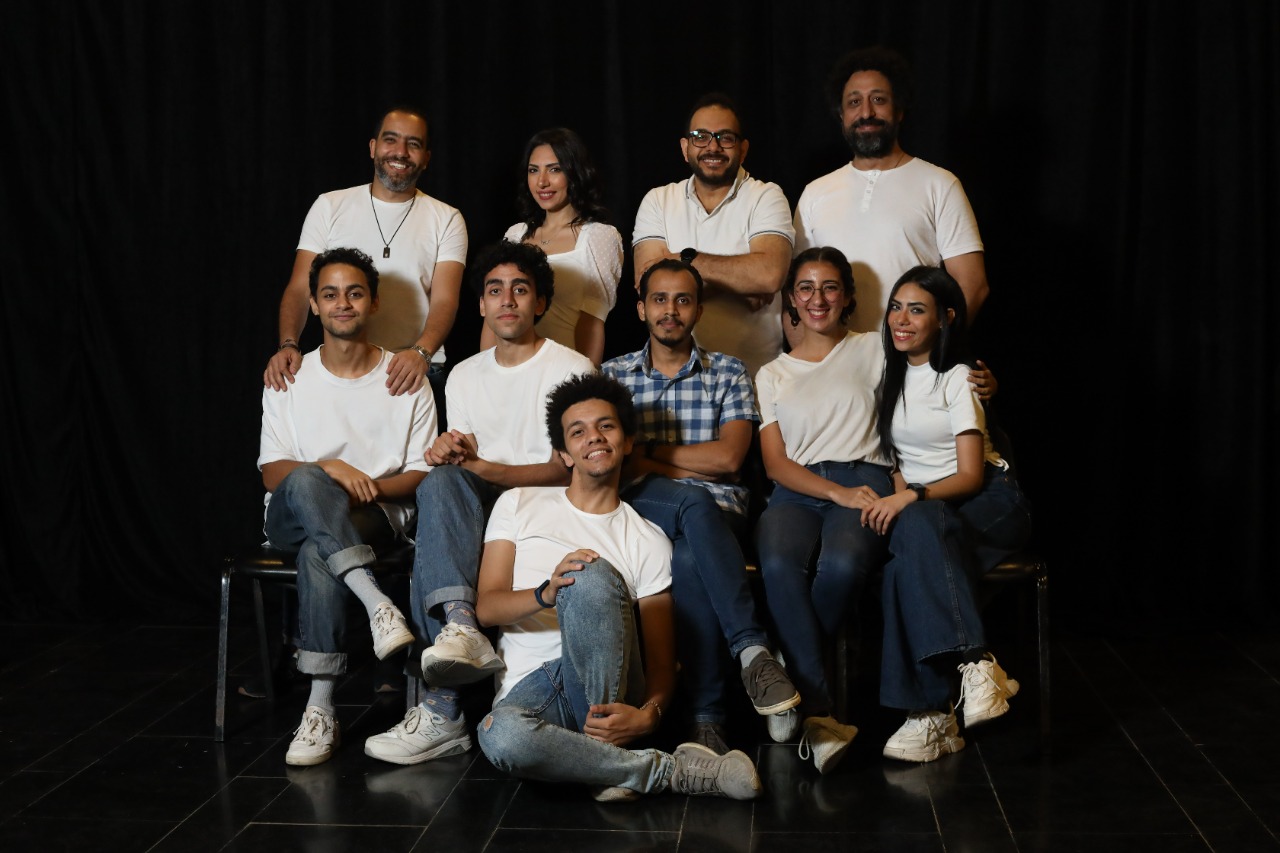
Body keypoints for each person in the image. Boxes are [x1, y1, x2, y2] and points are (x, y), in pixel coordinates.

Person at [475, 373, 763, 801]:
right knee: (501, 735)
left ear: (627, 442)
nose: (594, 437)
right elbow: (486, 607)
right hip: (535, 690)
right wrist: (545, 593)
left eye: (606, 426)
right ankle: (662, 771)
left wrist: (651, 715)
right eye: (578, 432)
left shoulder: (648, 538)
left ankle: (602, 755)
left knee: (587, 573)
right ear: (564, 453)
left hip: (613, 692)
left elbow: (662, 661)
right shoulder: (518, 503)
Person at [363, 240, 595, 765]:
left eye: (520, 289)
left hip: (546, 506)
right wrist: (448, 452)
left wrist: (485, 468)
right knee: (438, 482)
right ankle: (462, 625)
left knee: (444, 495)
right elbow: (463, 463)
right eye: (495, 290)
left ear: (539, 302)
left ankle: (441, 709)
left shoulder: (572, 368)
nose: (507, 300)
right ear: (482, 305)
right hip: (484, 508)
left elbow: (571, 466)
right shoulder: (465, 374)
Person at [602, 259, 799, 755]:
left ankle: (707, 718)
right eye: (660, 299)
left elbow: (729, 458)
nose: (670, 310)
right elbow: (616, 465)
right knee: (692, 497)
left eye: (683, 300)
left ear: (699, 310)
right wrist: (689, 465)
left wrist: (650, 455)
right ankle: (752, 650)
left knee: (690, 555)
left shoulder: (729, 371)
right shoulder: (613, 375)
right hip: (638, 509)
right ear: (641, 309)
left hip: (720, 514)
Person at [257, 248, 437, 766]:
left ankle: (319, 708)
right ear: (314, 304)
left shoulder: (404, 377)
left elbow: (422, 474)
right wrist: (332, 471)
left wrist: (369, 487)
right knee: (307, 478)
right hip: (290, 515)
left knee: (321, 551)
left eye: (354, 293)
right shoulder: (289, 375)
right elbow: (272, 471)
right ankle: (376, 601)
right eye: (330, 294)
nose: (343, 303)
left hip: (373, 516)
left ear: (373, 302)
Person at [861, 265, 1031, 763]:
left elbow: (971, 476)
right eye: (896, 307)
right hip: (931, 509)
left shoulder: (959, 376)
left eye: (917, 310)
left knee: (912, 549)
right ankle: (969, 678)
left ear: (945, 318)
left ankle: (934, 708)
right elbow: (898, 466)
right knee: (904, 563)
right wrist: (904, 496)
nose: (901, 319)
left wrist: (908, 498)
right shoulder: (889, 377)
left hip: (990, 500)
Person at [753, 247, 891, 775]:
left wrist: (982, 382)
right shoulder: (772, 373)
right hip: (797, 488)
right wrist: (834, 494)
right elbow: (775, 464)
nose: (817, 298)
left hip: (865, 477)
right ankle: (818, 708)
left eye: (830, 287)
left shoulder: (876, 348)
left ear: (848, 296)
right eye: (805, 288)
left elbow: (932, 379)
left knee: (843, 565)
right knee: (778, 563)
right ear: (791, 298)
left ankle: (790, 676)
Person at [263, 104, 467, 410]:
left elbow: (445, 300)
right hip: (341, 370)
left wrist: (421, 353)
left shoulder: (447, 218)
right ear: (373, 148)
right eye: (391, 139)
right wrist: (288, 343)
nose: (400, 152)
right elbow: (300, 288)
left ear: (426, 158)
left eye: (413, 144)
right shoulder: (329, 206)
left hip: (412, 370)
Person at [791, 46, 989, 336]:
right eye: (854, 102)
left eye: (878, 100)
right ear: (842, 116)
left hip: (913, 358)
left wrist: (933, 354)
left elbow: (972, 285)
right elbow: (795, 291)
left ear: (899, 110)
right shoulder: (815, 192)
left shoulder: (940, 184)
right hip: (835, 359)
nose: (866, 112)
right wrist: (808, 356)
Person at [632, 93, 794, 375]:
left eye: (725, 137)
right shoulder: (658, 200)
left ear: (743, 149)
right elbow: (649, 287)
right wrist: (738, 287)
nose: (713, 147)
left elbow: (769, 275)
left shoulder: (766, 196)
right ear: (685, 148)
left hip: (756, 377)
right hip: (674, 377)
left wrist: (682, 261)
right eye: (701, 137)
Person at [484, 128, 622, 365]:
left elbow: (592, 323)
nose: (542, 181)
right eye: (533, 170)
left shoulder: (599, 236)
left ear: (575, 173)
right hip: (510, 368)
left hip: (564, 370)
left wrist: (583, 382)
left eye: (555, 169)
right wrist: (488, 372)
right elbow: (493, 319)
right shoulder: (515, 234)